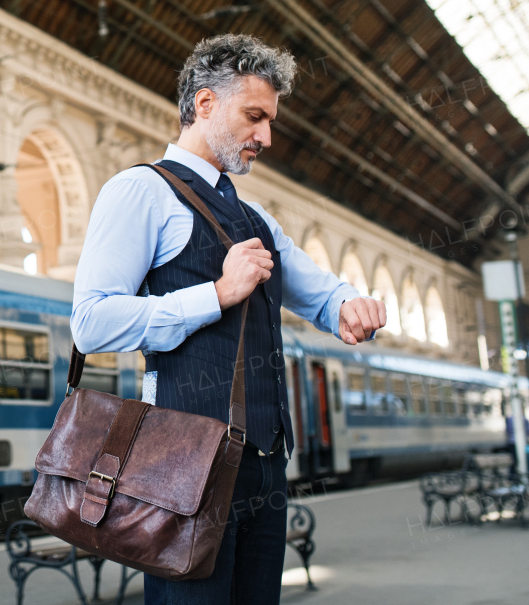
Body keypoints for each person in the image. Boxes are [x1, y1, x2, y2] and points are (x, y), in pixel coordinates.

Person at [70, 34, 387, 605]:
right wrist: (215, 294)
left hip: (264, 466)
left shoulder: (256, 216)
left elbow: (319, 291)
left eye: (269, 121)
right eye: (254, 116)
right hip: (182, 465)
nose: (265, 137)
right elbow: (92, 322)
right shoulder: (140, 190)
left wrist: (348, 305)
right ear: (205, 104)